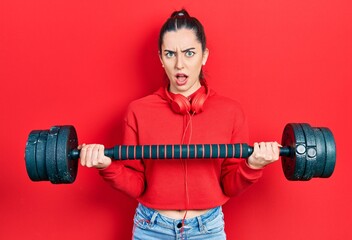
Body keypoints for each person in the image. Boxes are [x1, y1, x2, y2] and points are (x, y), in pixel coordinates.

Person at [79, 9, 280, 240]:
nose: (179, 64)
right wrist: (106, 165)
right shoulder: (138, 111)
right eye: (170, 54)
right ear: (160, 58)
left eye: (189, 53)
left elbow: (229, 186)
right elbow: (137, 185)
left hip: (208, 230)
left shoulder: (231, 112)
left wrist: (252, 166)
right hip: (151, 228)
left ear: (204, 56)